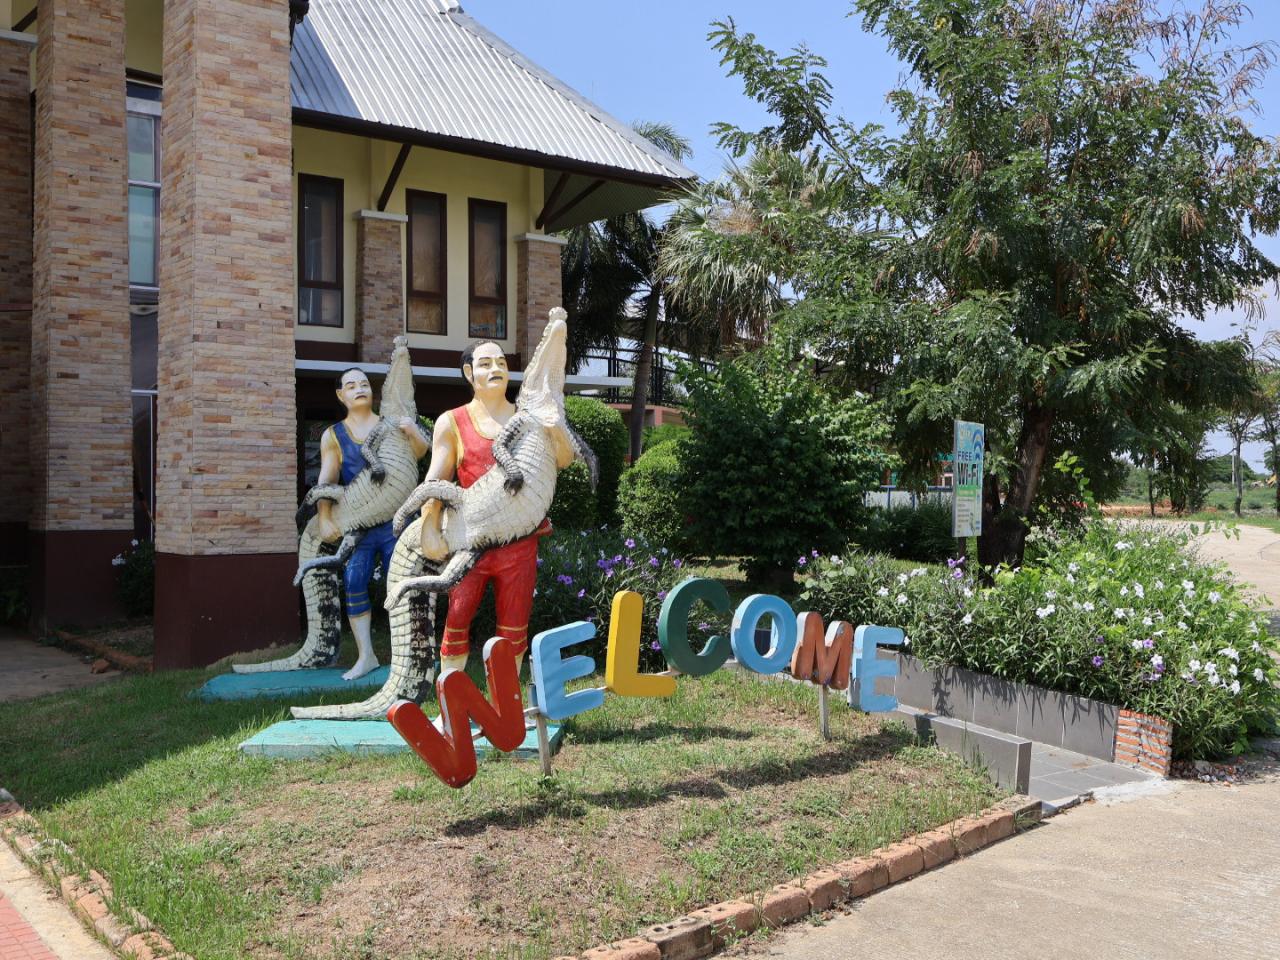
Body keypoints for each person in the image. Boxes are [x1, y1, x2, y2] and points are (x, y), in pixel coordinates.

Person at [418, 341, 575, 679]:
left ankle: (506, 701)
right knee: (457, 617)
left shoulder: (529, 417)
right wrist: (428, 527)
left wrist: (555, 426)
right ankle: (450, 700)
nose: (496, 369)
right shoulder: (452, 421)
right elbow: (436, 478)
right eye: (486, 363)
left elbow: (563, 459)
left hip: (520, 542)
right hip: (470, 541)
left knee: (515, 624)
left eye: (501, 363)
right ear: (469, 372)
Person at [316, 368, 429, 680]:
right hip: (360, 524)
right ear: (340, 395)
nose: (359, 389)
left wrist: (412, 431)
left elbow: (418, 454)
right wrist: (324, 516)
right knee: (354, 581)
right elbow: (327, 479)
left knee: (403, 583)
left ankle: (407, 653)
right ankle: (366, 655)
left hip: (396, 521)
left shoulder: (390, 423)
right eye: (351, 386)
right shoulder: (333, 436)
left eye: (364, 384)